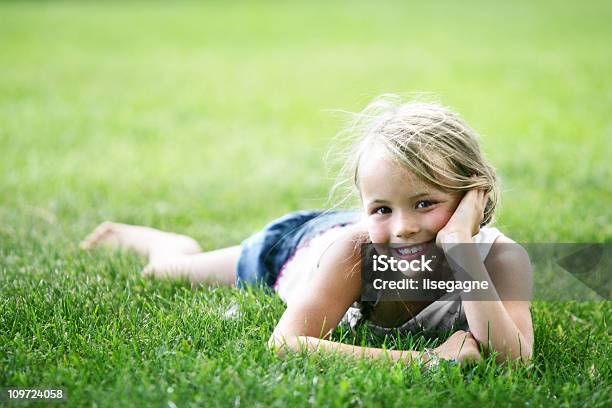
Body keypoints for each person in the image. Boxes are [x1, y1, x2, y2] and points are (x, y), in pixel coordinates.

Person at [80, 94, 533, 368]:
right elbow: (287, 344)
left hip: (343, 233)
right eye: (381, 208)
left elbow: (512, 360)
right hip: (293, 248)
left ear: (473, 195)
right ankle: (166, 244)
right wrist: (426, 362)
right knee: (168, 272)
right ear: (363, 208)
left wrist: (461, 250)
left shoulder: (500, 260)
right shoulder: (356, 249)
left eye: (425, 203)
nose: (403, 228)